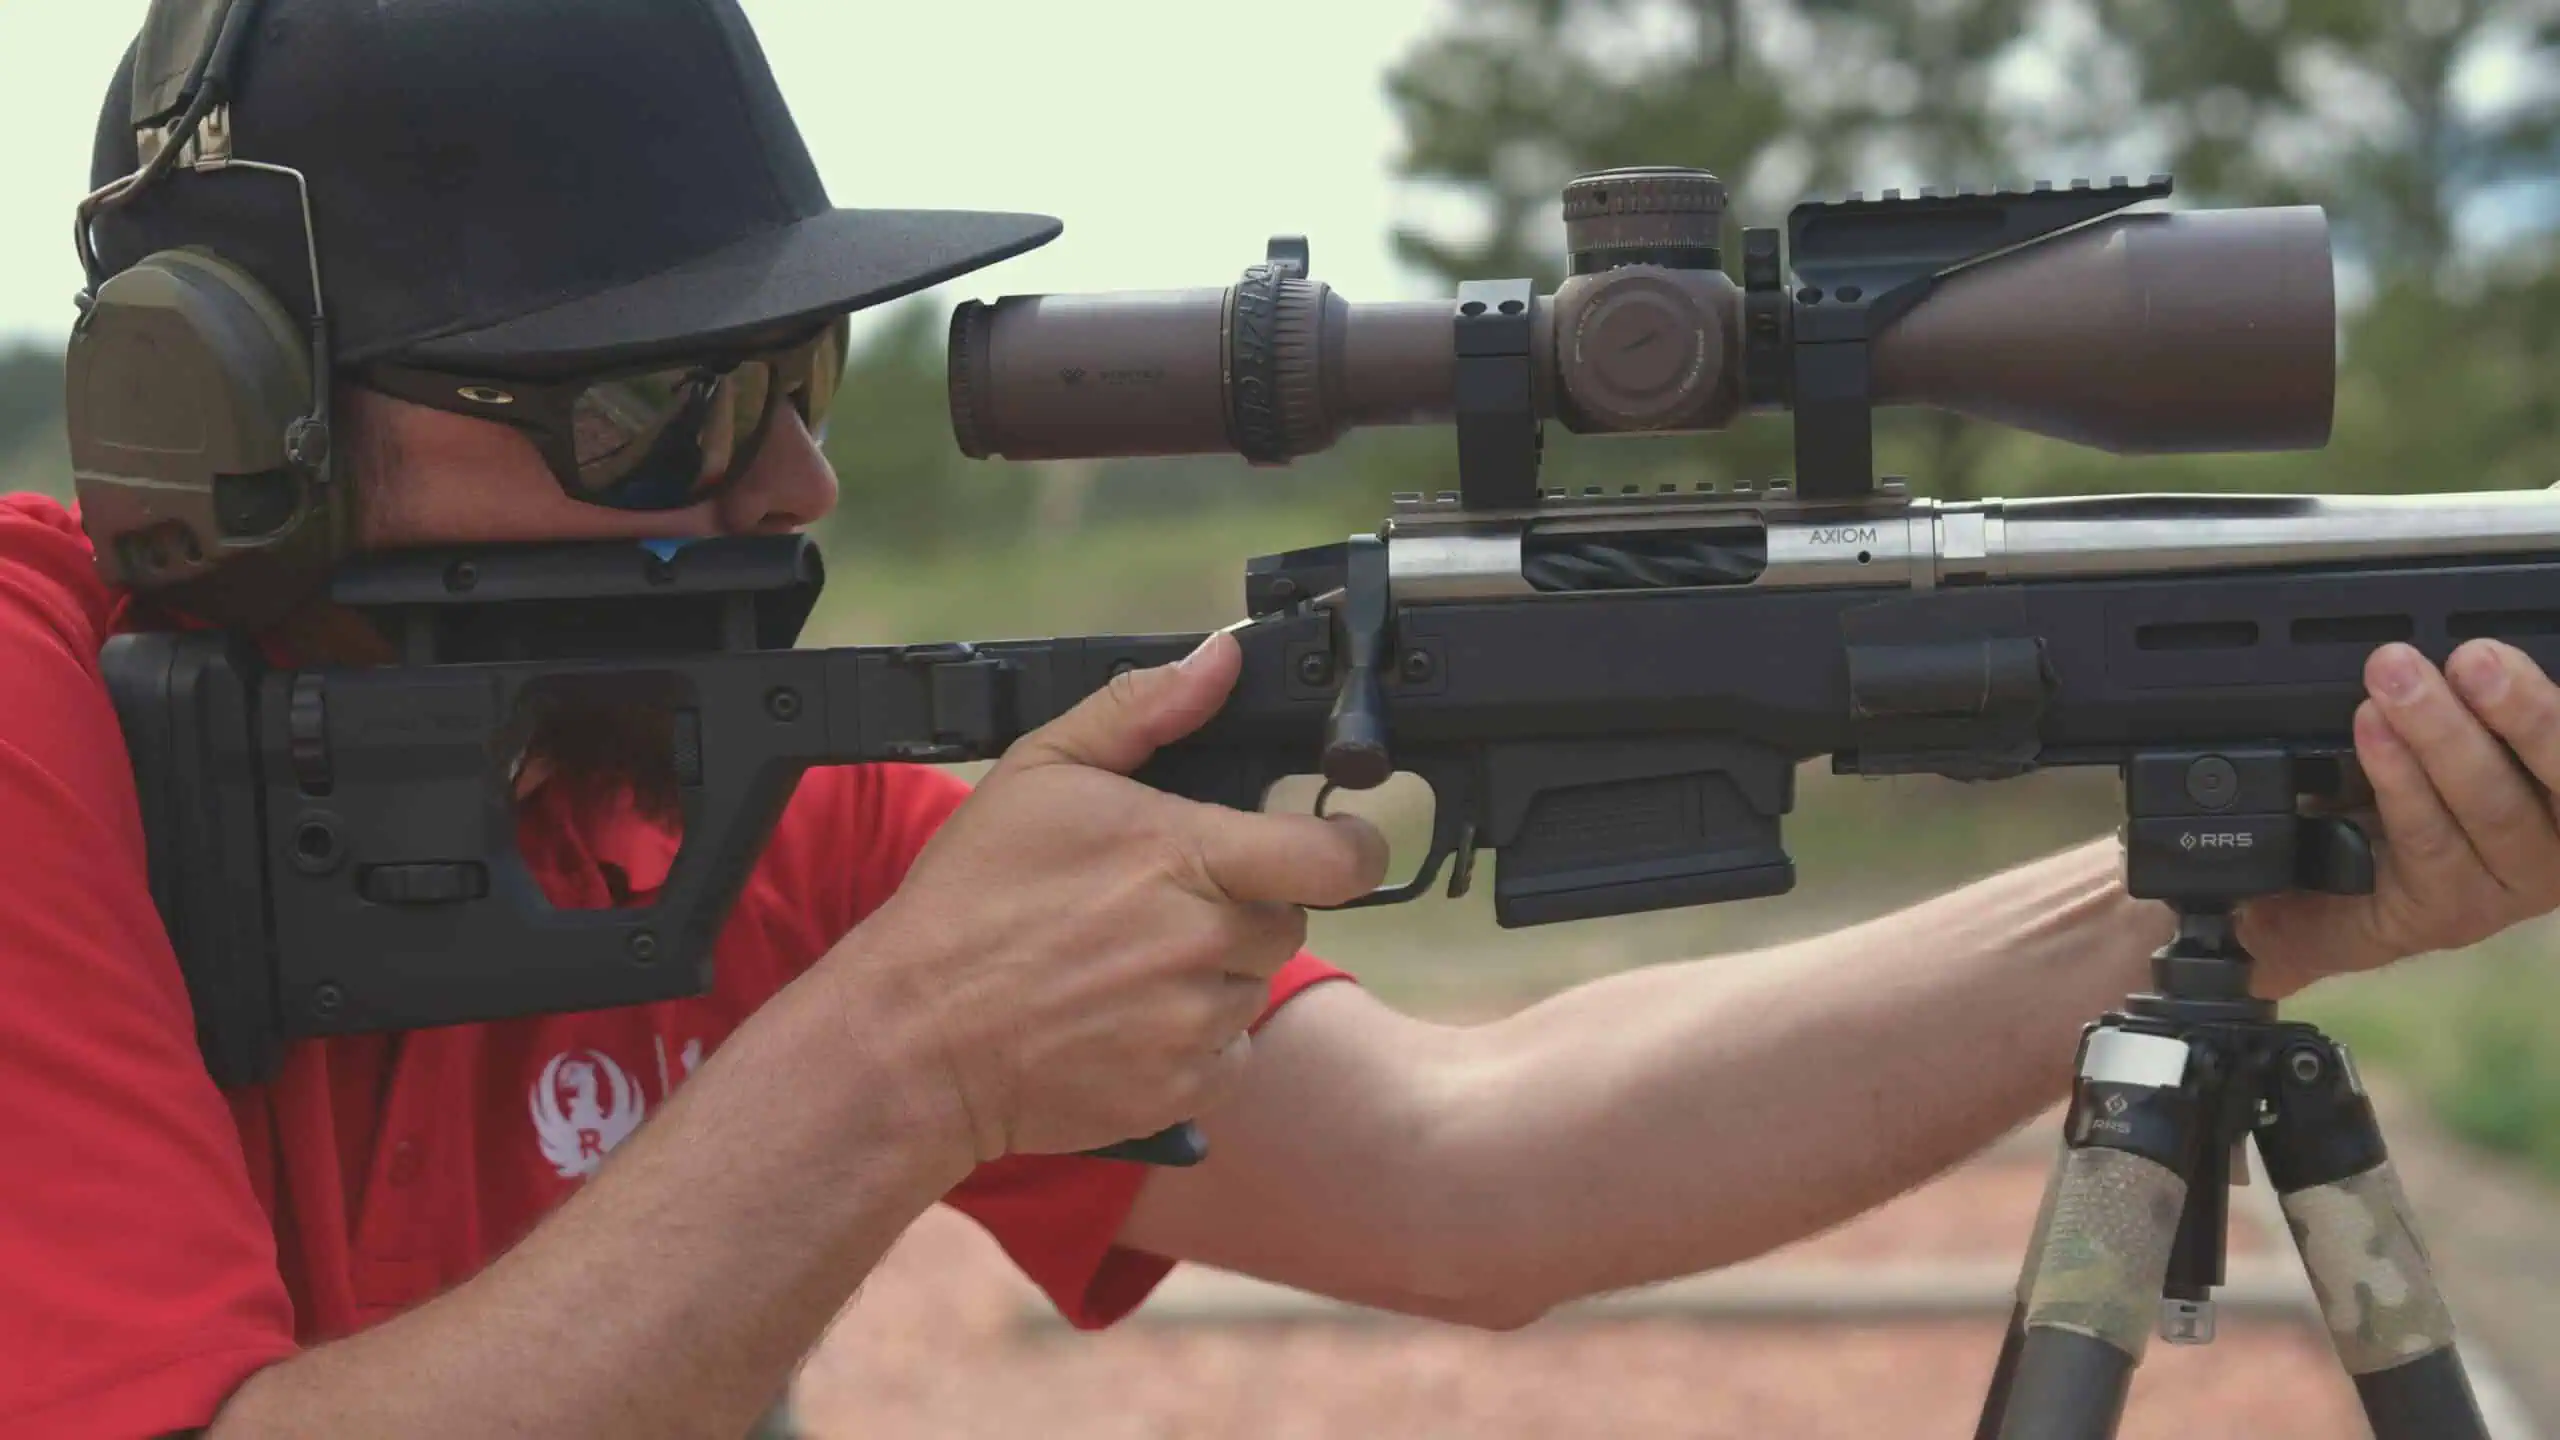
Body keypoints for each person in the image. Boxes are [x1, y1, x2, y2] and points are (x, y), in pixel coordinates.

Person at [9, 2, 2560, 1437]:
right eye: (647, 412)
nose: (787, 470)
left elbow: (1477, 1172)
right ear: (218, 427)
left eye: (788, 370)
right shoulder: (47, 731)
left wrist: (2210, 879)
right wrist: (895, 1063)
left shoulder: (676, 771)